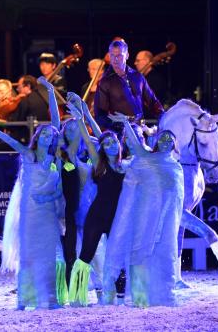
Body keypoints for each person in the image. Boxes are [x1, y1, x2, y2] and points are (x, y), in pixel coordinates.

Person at [0, 120, 65, 310]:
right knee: (28, 255)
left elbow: (59, 189)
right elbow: (10, 141)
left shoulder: (56, 160)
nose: (48, 137)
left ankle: (50, 299)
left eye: (51, 135)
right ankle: (24, 300)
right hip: (30, 211)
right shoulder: (28, 154)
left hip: (47, 211)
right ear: (38, 137)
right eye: (45, 134)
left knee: (49, 255)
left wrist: (49, 196)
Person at [103, 115, 184, 307]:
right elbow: (136, 146)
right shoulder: (148, 158)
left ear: (174, 145)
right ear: (156, 142)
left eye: (169, 139)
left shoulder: (176, 167)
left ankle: (164, 296)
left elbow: (178, 199)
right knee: (139, 251)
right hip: (144, 216)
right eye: (162, 138)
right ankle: (139, 297)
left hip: (167, 222)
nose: (165, 141)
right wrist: (125, 124)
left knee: (164, 255)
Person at [67, 104, 127, 307]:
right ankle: (76, 296)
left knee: (119, 257)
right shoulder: (99, 163)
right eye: (107, 143)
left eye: (114, 142)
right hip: (97, 216)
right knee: (86, 255)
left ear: (119, 144)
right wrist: (82, 119)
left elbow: (105, 137)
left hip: (116, 219)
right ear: (102, 148)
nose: (111, 144)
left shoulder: (125, 165)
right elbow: (88, 138)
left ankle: (120, 297)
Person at [94, 39, 164, 135]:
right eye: (112, 56)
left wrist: (164, 117)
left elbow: (153, 102)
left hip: (140, 134)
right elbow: (100, 116)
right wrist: (120, 124)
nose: (115, 60)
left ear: (127, 55)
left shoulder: (138, 77)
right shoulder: (105, 82)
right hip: (119, 137)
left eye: (119, 55)